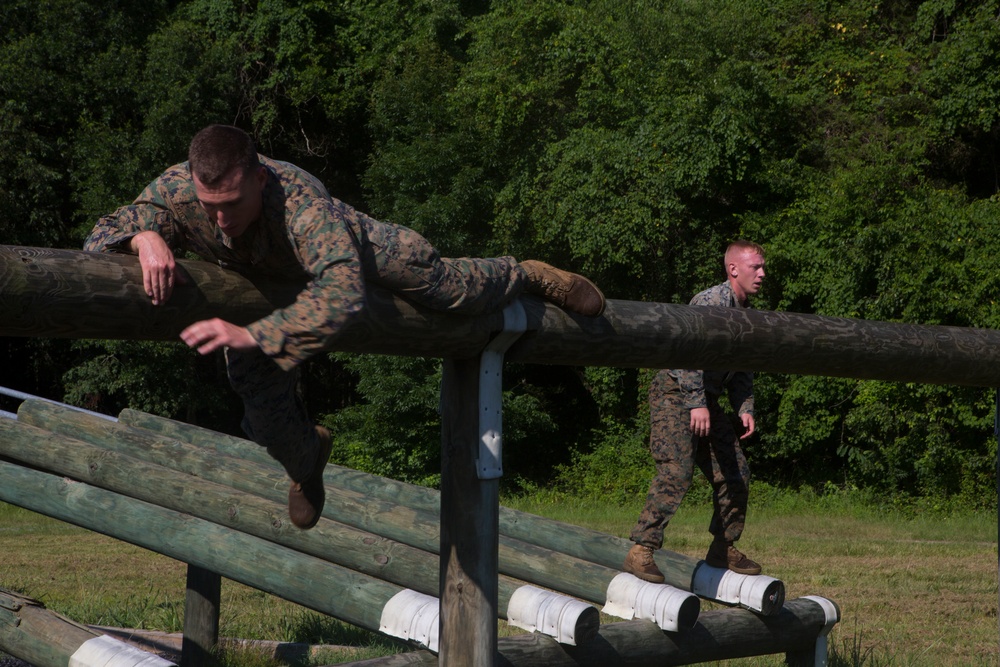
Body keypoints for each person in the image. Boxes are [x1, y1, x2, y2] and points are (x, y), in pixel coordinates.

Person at [84, 124, 606, 530]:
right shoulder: (177, 190)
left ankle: (529, 275)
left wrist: (257, 335)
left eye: (233, 205)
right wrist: (144, 238)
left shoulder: (301, 204)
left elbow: (343, 291)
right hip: (255, 286)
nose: (220, 220)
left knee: (445, 289)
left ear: (259, 178)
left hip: (348, 253)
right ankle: (309, 459)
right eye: (209, 207)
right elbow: (99, 234)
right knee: (261, 409)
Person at [623, 240, 765, 582]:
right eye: (755, 267)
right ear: (733, 269)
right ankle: (640, 550)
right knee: (677, 471)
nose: (762, 274)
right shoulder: (711, 302)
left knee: (736, 473)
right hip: (676, 393)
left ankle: (723, 548)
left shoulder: (746, 313)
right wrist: (696, 402)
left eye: (762, 268)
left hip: (707, 399)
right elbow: (687, 350)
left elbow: (742, 367)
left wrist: (744, 407)